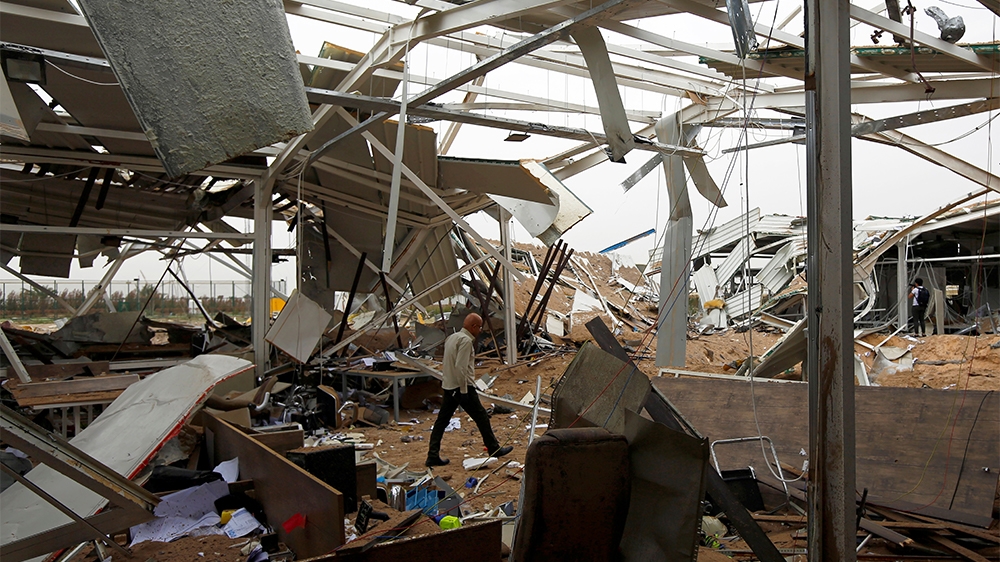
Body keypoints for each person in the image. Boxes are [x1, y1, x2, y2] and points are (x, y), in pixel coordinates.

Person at [426, 312, 512, 467]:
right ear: (473, 326)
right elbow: (461, 367)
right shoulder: (465, 341)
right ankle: (493, 448)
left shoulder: (452, 337)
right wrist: (464, 391)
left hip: (449, 386)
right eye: (479, 327)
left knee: (442, 421)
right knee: (481, 417)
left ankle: (432, 454)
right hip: (461, 387)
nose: (480, 330)